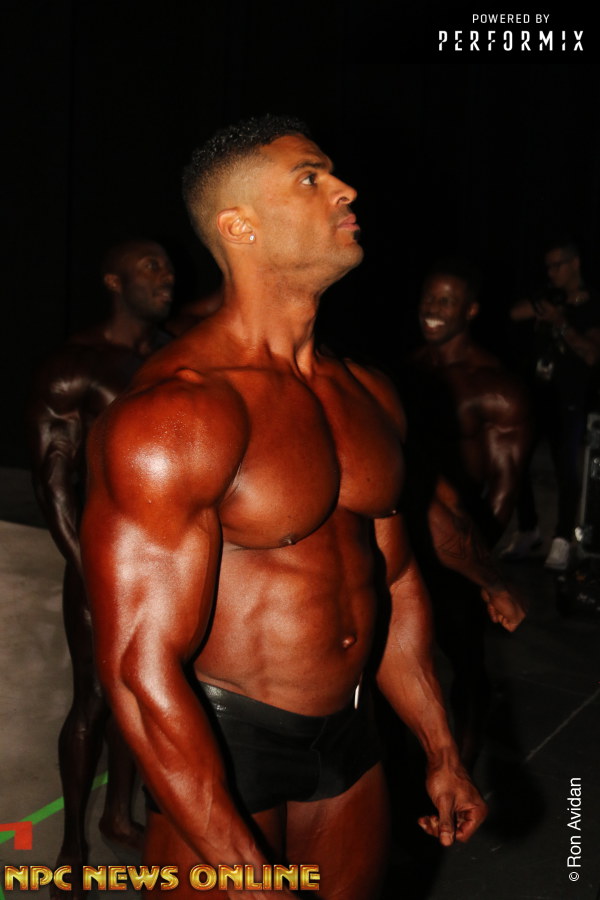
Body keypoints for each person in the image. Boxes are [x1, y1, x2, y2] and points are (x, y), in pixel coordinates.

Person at [80, 115, 488, 900]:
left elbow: (397, 582)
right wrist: (245, 872)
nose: (346, 189)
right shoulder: (178, 415)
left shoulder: (369, 392)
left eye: (333, 173)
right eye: (311, 178)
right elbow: (137, 670)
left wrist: (440, 748)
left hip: (352, 737)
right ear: (240, 227)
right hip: (227, 745)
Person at [26, 238, 175, 897]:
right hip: (101, 556)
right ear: (115, 281)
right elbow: (53, 483)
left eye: (169, 266)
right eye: (151, 267)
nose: (166, 276)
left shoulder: (177, 353)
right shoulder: (76, 364)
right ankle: (71, 847)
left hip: (174, 559)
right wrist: (90, 570)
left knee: (152, 698)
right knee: (92, 698)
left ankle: (121, 816)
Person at [400, 258, 531, 767]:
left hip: (459, 544)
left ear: (470, 310)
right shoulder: (407, 370)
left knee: (465, 661)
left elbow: (504, 490)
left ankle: (467, 764)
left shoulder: (494, 386)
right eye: (429, 297)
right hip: (407, 537)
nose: (432, 309)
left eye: (446, 301)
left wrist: (477, 567)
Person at [502, 236, 600, 570]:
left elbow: (592, 354)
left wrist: (562, 321)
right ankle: (528, 530)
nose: (551, 272)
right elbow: (514, 313)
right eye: (548, 266)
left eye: (557, 265)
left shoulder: (592, 304)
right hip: (537, 395)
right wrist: (545, 308)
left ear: (575, 263)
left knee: (566, 469)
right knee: (516, 462)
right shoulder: (550, 296)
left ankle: (562, 539)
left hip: (569, 399)